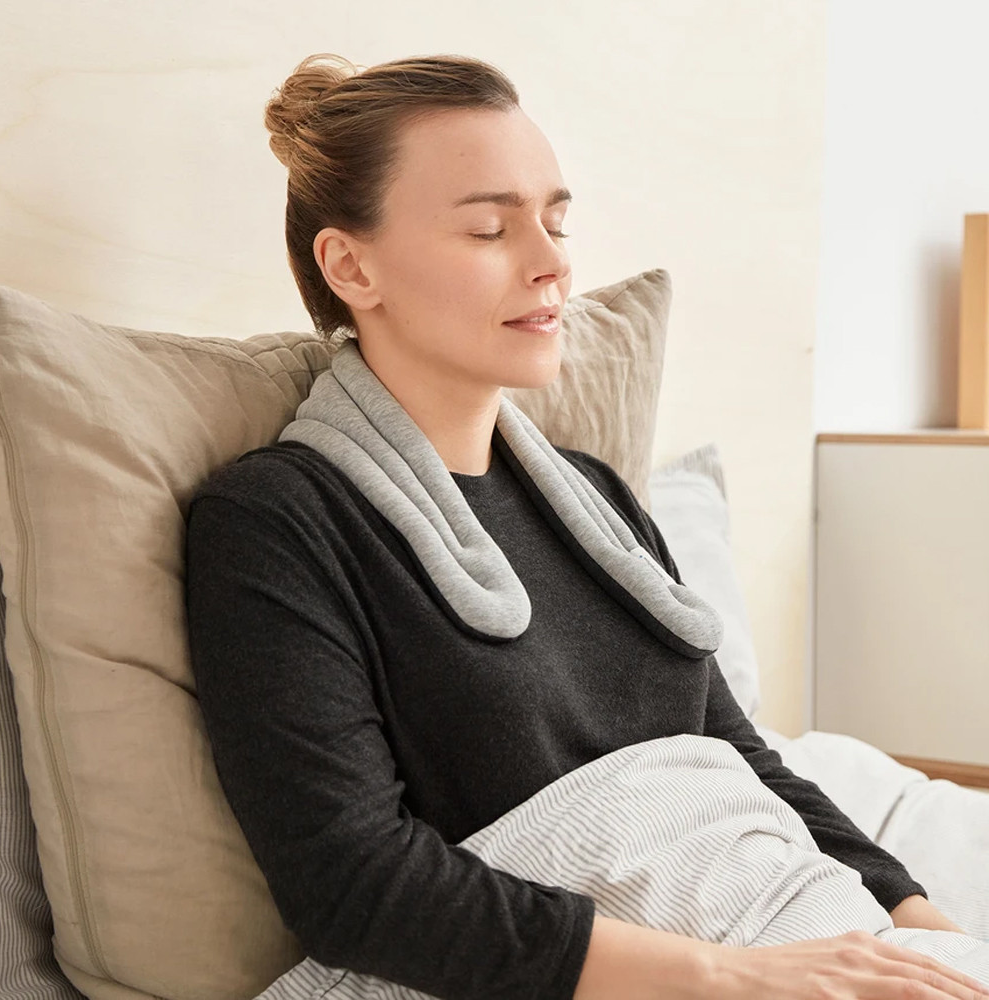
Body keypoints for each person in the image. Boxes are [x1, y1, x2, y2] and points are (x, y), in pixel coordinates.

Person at [183, 53, 989, 1000]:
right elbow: (354, 883)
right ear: (350, 264)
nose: (554, 261)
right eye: (490, 227)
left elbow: (740, 758)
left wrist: (925, 931)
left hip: (788, 923)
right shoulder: (279, 524)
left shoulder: (596, 500)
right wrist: (732, 978)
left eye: (556, 220)